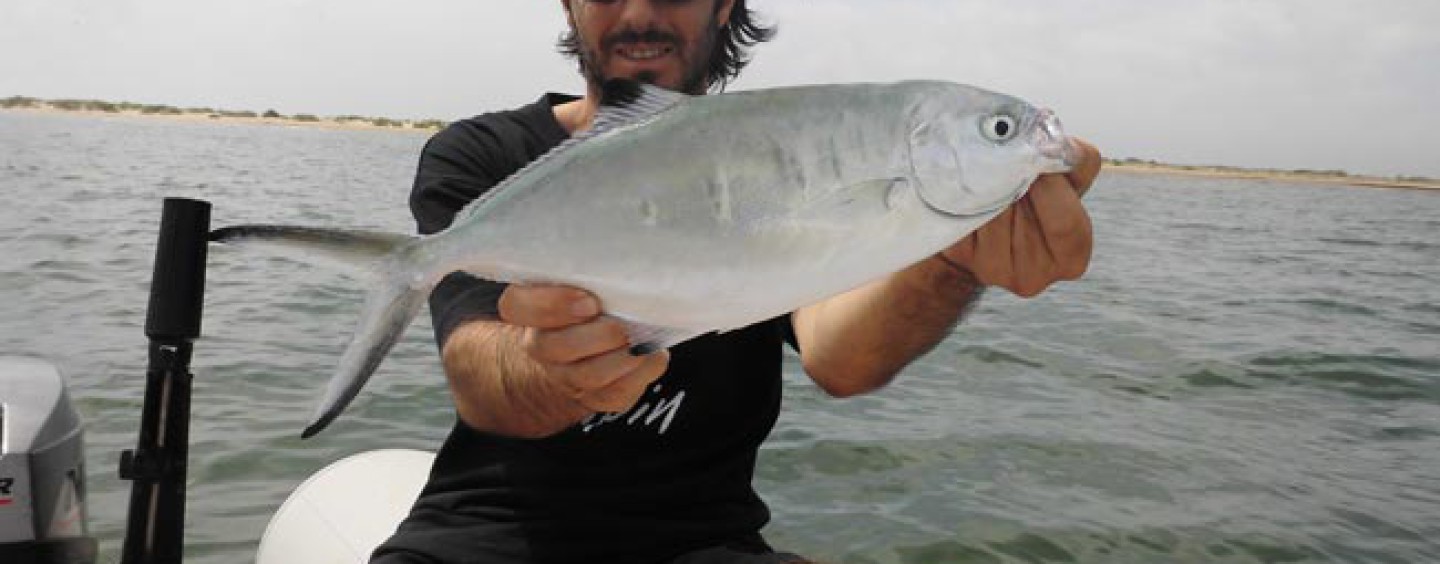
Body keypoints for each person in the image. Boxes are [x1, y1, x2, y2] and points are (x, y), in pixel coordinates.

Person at [372, 1, 1102, 562]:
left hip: (706, 542)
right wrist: (543, 366)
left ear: (726, 4)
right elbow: (478, 371)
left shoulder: (794, 154)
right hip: (487, 535)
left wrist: (952, 261)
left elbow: (841, 359)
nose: (639, 12)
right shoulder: (481, 155)